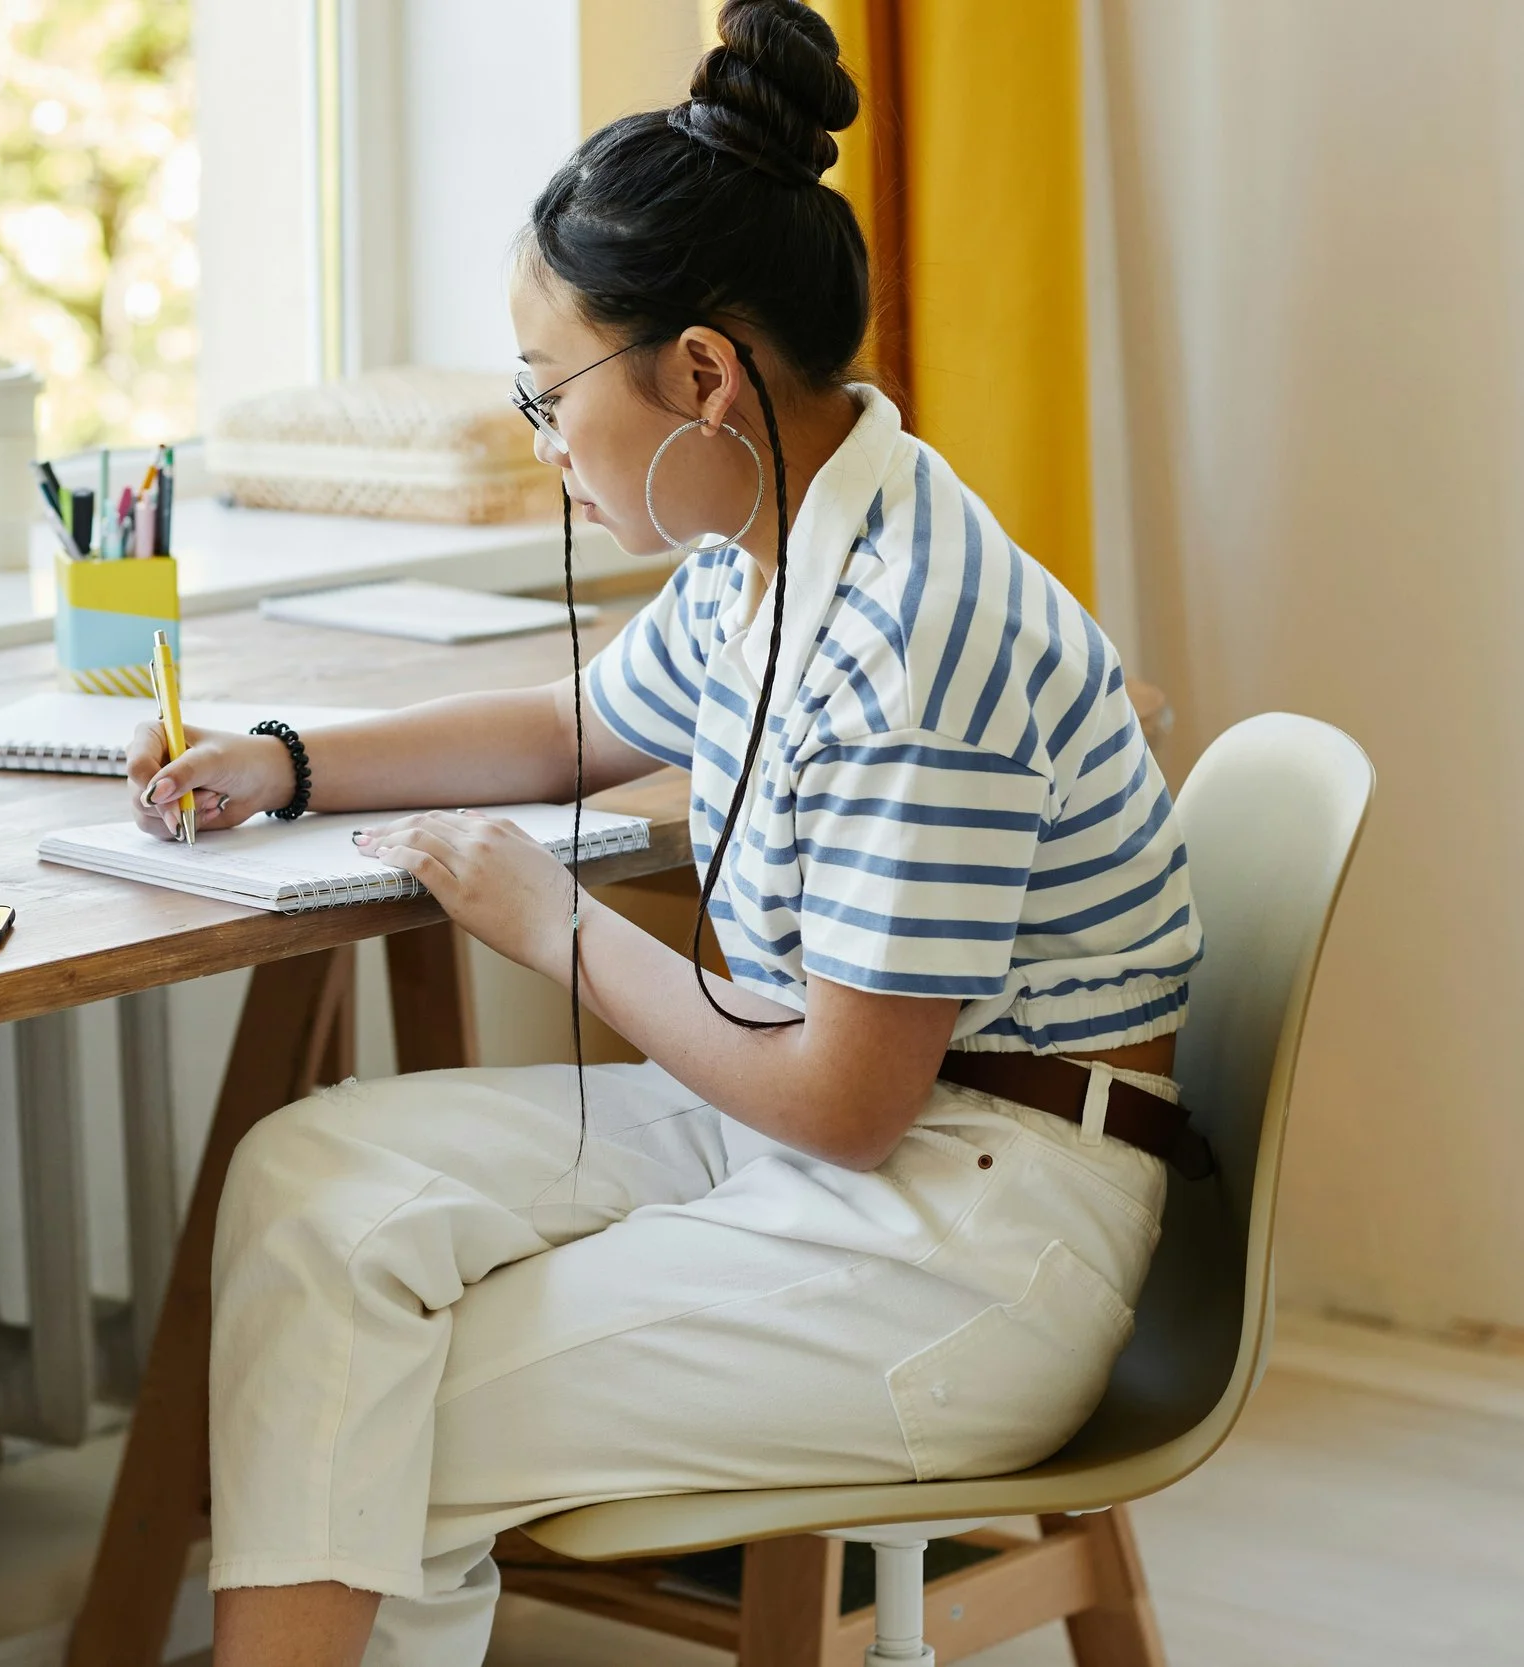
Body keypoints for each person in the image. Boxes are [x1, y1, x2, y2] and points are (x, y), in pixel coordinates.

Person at [126, 4, 1199, 1662]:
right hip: (836, 1136)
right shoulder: (767, 545)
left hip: (970, 1231)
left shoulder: (911, 638)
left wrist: (553, 923)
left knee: (364, 1403)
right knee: (312, 1177)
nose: (543, 441)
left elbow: (847, 1103)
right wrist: (284, 759)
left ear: (702, 374)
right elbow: (571, 729)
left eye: (547, 392)